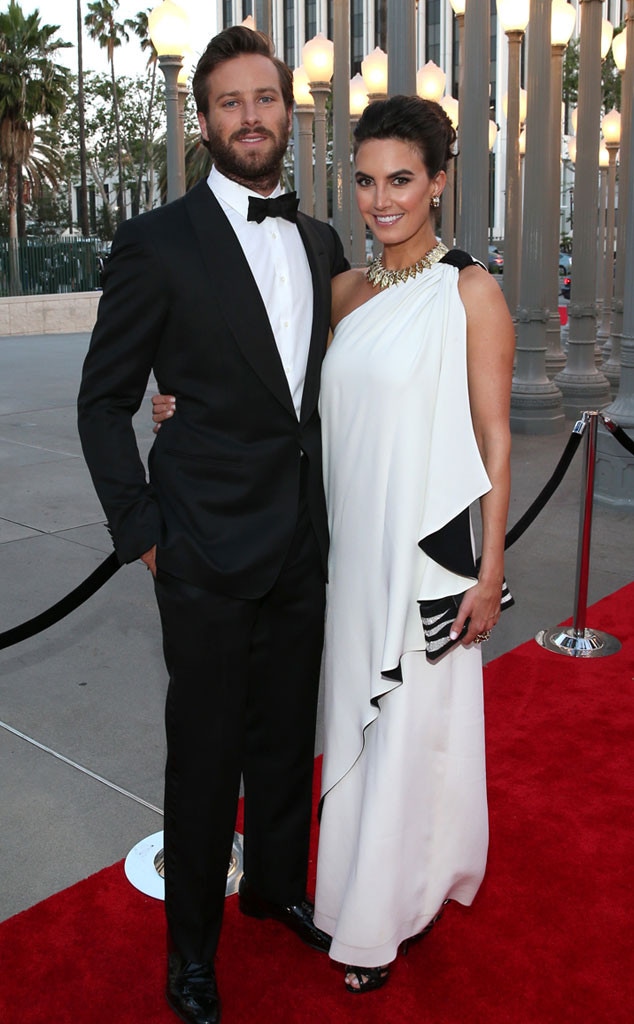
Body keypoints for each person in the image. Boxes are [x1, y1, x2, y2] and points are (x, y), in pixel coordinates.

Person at [77, 26, 347, 1024]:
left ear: (287, 112)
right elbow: (103, 399)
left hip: (300, 544)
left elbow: (323, 391)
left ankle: (276, 886)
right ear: (203, 121)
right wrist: (142, 530)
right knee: (203, 758)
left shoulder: (321, 241)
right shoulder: (155, 241)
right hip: (199, 548)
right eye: (228, 102)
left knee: (285, 741)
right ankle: (191, 948)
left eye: (263, 99)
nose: (248, 117)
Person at [310, 95, 514, 993]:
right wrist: (176, 406)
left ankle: (385, 916)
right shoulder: (346, 294)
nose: (381, 200)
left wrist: (493, 566)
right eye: (365, 181)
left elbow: (494, 436)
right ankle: (359, 884)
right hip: (349, 553)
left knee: (408, 729)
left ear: (438, 181)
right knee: (358, 720)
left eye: (401, 180)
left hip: (429, 554)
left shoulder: (471, 290)